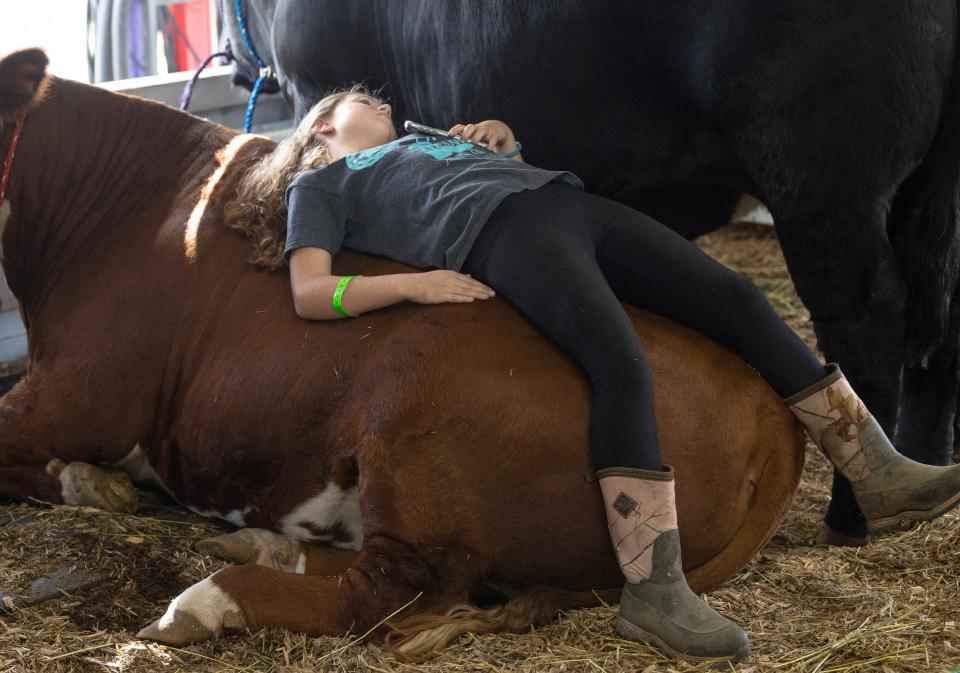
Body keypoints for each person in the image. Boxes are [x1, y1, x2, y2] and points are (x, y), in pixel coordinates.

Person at [225, 85, 960, 662]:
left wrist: (505, 144)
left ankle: (877, 473)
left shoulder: (426, 140)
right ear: (323, 123)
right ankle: (654, 592)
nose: (385, 103)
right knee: (619, 362)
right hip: (501, 234)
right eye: (366, 99)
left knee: (735, 295)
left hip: (566, 203)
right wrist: (414, 286)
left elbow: (497, 164)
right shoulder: (323, 186)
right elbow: (310, 291)